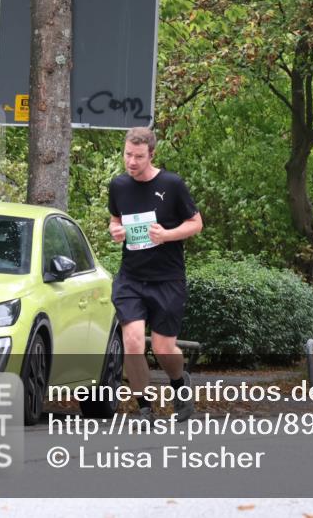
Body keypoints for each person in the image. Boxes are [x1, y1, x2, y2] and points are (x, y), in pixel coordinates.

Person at [108, 127, 203, 421]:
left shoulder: (172, 184)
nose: (131, 162)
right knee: (133, 340)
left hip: (167, 278)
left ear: (151, 154)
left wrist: (168, 234)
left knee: (163, 348)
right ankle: (145, 408)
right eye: (127, 155)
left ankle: (179, 383)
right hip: (131, 278)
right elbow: (114, 219)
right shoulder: (119, 186)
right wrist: (115, 231)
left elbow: (196, 223)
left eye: (138, 156)